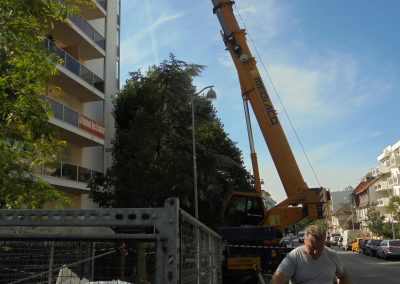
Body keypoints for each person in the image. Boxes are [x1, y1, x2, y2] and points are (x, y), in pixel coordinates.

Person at [270, 225, 350, 284]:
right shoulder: (293, 258)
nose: (316, 252)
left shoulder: (332, 255)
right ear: (304, 240)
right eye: (312, 247)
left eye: (320, 248)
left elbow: (343, 276)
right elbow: (276, 281)